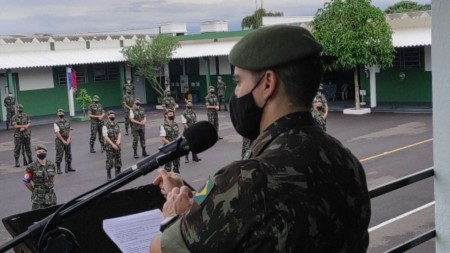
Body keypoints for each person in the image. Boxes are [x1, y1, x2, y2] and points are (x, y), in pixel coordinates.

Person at [150, 25, 370, 253]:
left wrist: (174, 214)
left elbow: (160, 249)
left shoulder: (248, 178)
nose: (235, 94)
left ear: (267, 84)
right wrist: (199, 204)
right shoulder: (347, 162)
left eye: (238, 82)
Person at [23, 145, 57, 210]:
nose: (41, 153)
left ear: (46, 152)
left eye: (43, 151)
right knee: (38, 217)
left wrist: (49, 185)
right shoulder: (30, 167)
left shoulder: (51, 164)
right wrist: (34, 191)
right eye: (39, 152)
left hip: (51, 197)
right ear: (36, 152)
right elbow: (26, 181)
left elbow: (53, 178)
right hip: (38, 199)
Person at [54, 109, 75, 174]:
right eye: (59, 113)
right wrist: (63, 141)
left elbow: (70, 130)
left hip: (67, 139)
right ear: (57, 115)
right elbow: (57, 133)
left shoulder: (67, 121)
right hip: (60, 140)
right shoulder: (56, 122)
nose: (61, 114)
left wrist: (69, 138)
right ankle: (59, 169)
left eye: (62, 113)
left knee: (68, 153)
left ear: (63, 114)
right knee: (59, 154)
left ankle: (69, 167)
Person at [102, 110, 122, 181]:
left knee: (118, 159)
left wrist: (119, 140)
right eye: (111, 116)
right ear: (108, 116)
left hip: (117, 144)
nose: (113, 117)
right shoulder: (105, 126)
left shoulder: (116, 124)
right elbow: (105, 137)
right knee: (110, 161)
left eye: (114, 115)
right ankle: (109, 174)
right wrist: (113, 144)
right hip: (110, 146)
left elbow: (119, 132)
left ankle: (118, 173)